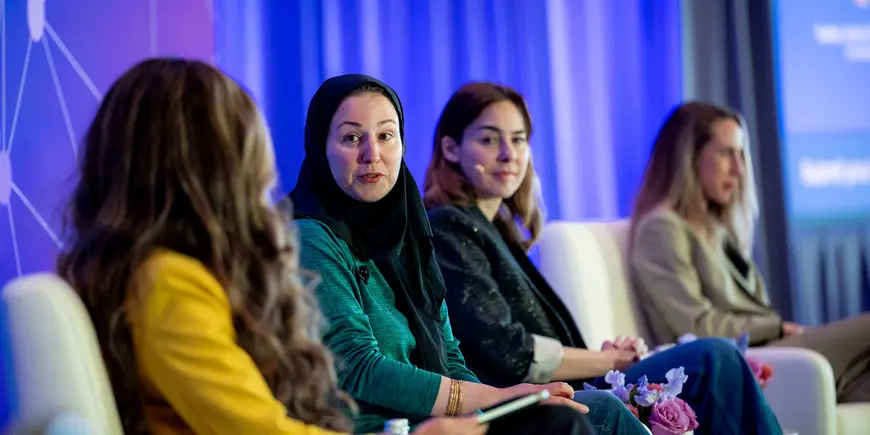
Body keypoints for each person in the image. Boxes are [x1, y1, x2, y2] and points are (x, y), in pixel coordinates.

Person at [56, 59, 486, 435]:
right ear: (207, 165)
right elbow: (261, 427)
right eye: (244, 144)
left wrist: (488, 404)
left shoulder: (168, 273)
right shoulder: (169, 282)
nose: (260, 171)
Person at [423, 82, 784, 435]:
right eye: (488, 139)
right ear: (452, 149)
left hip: (570, 380)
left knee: (716, 360)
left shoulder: (495, 228)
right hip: (525, 395)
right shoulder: (450, 228)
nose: (508, 153)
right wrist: (608, 362)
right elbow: (507, 351)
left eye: (518, 139)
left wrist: (601, 356)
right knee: (713, 359)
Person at [287, 74, 614, 435]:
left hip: (445, 423)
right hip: (382, 428)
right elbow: (358, 367)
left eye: (385, 136)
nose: (372, 154)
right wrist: (494, 399)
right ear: (320, 147)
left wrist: (501, 403)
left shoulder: (410, 231)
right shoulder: (311, 236)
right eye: (351, 138)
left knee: (603, 406)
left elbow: (449, 356)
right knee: (562, 421)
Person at [628, 101, 870, 403]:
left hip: (772, 352)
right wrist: (777, 327)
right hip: (741, 361)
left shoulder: (716, 227)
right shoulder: (662, 228)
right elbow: (695, 327)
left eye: (741, 155)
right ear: (689, 159)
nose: (739, 169)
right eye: (727, 153)